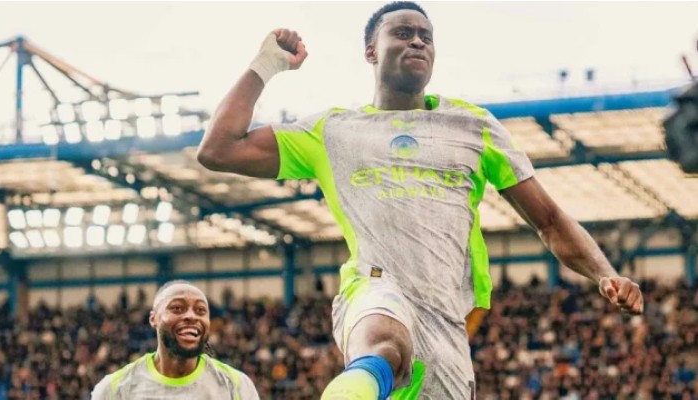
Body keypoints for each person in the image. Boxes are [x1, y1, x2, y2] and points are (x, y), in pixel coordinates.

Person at [196, 2, 645, 399]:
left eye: (426, 37)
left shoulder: (474, 127)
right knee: (385, 344)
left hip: (446, 316)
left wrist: (605, 274)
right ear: (371, 52)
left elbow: (548, 219)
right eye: (403, 33)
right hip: (374, 285)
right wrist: (266, 64)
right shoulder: (332, 131)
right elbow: (218, 148)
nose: (417, 42)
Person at [91, 280, 259, 399]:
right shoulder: (114, 390)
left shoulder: (236, 386)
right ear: (153, 319)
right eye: (177, 308)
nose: (191, 316)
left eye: (200, 310)